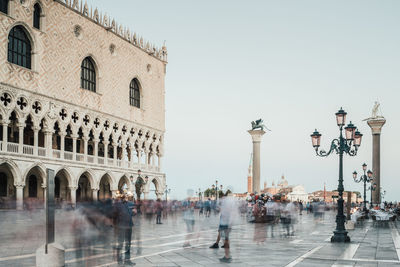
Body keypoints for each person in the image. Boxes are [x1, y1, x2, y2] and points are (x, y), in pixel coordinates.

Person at [114, 195, 135, 266]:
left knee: (128, 244)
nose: (125, 198)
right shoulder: (116, 205)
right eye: (123, 197)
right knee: (120, 243)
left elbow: (130, 213)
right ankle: (119, 261)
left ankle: (127, 260)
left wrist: (134, 212)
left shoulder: (128, 204)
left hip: (129, 226)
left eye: (125, 197)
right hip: (121, 227)